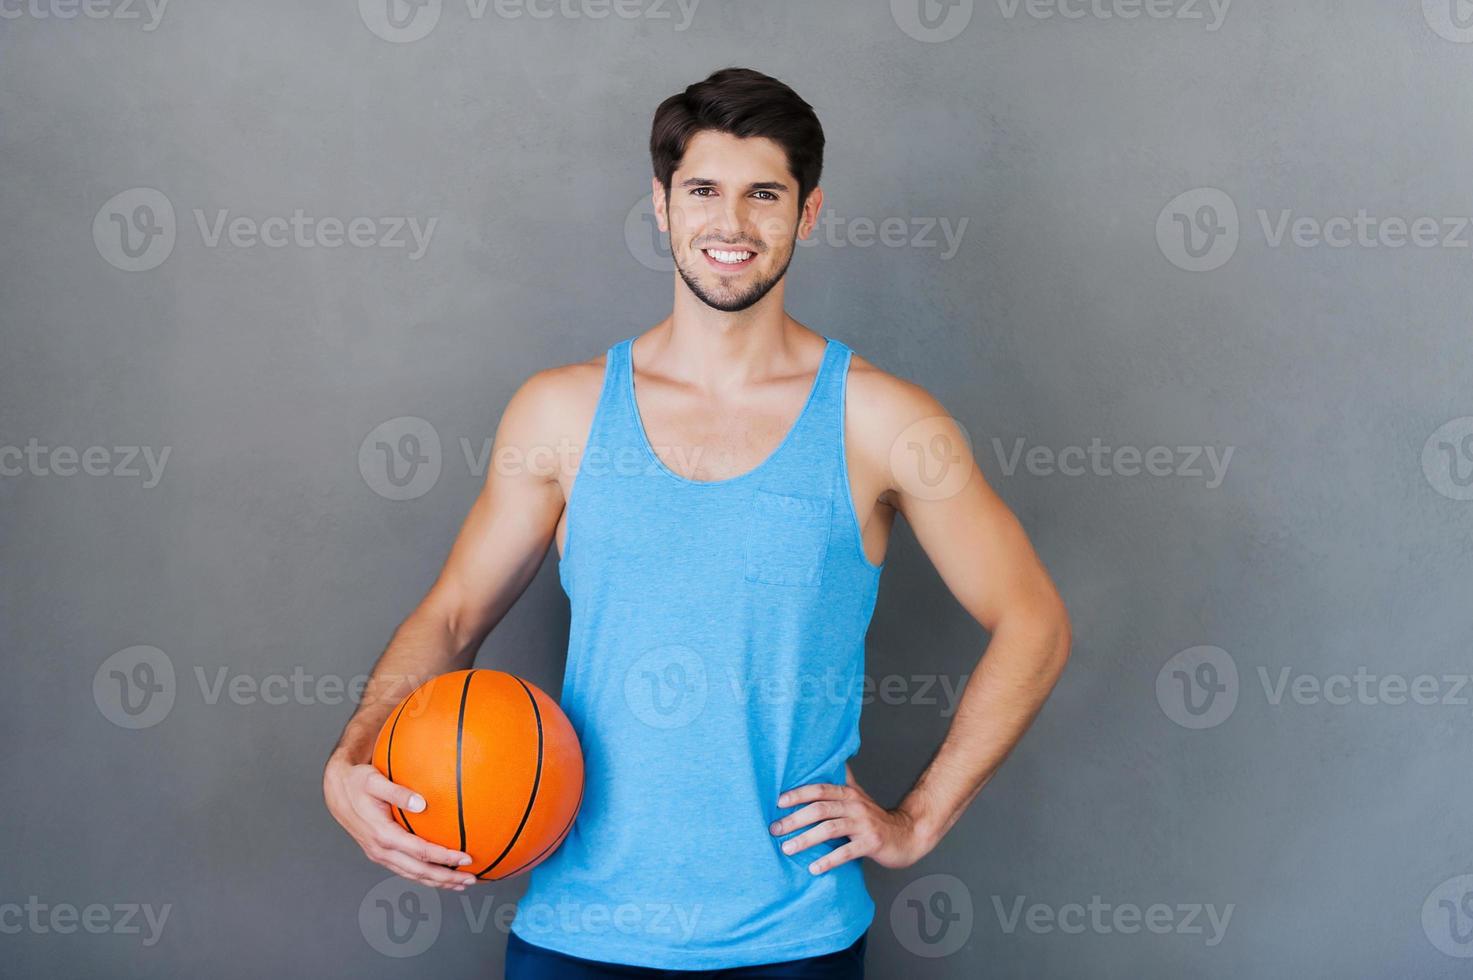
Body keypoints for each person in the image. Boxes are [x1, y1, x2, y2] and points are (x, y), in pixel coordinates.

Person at [323, 66, 1072, 978]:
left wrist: (915, 821)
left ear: (809, 212)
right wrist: (352, 756)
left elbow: (1033, 619)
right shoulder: (558, 412)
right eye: (703, 191)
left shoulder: (884, 422)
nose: (731, 224)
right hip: (575, 931)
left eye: (764, 194)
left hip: (790, 939)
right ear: (661, 205)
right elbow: (450, 618)